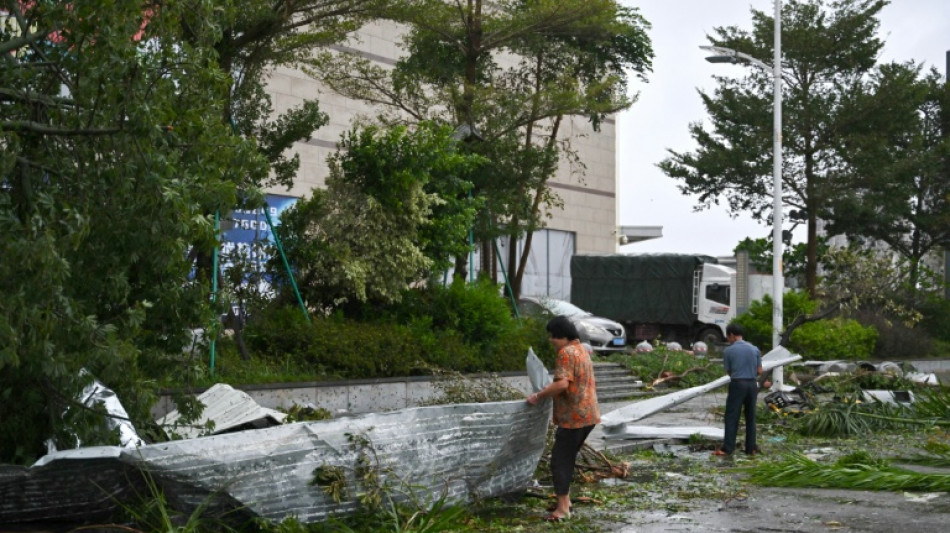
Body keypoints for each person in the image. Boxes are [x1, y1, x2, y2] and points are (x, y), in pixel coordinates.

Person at [526, 315, 600, 522]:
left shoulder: (566, 353)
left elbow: (562, 384)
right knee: (567, 459)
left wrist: (538, 396)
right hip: (589, 414)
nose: (550, 340)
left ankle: (562, 510)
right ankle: (565, 503)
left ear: (563, 335)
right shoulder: (581, 349)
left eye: (553, 336)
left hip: (573, 417)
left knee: (559, 461)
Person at [713, 323, 763, 457]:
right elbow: (759, 371)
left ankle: (727, 448)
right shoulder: (754, 349)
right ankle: (751, 448)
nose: (728, 339)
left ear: (732, 335)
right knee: (750, 416)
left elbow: (729, 371)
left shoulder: (729, 351)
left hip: (737, 384)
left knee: (732, 416)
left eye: (728, 337)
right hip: (752, 384)